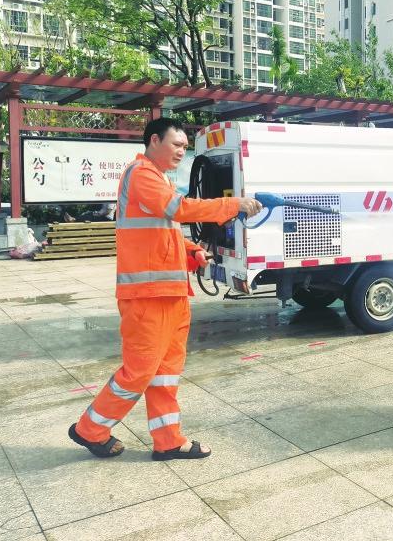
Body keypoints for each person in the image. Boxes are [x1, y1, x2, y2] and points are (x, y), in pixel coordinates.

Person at [68, 118, 262, 460]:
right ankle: (90, 429)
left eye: (185, 146)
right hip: (148, 297)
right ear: (154, 140)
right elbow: (179, 210)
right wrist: (232, 205)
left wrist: (191, 251)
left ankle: (168, 440)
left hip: (170, 295)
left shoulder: (159, 179)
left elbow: (163, 233)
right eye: (176, 144)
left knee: (165, 374)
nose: (182, 151)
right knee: (140, 371)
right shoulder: (141, 174)